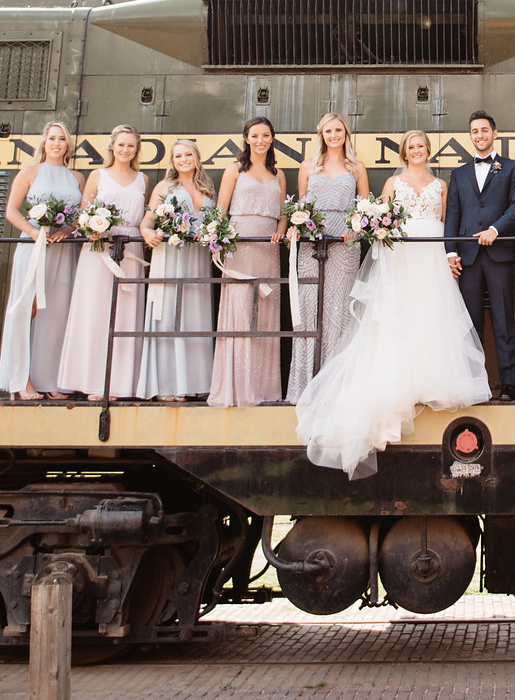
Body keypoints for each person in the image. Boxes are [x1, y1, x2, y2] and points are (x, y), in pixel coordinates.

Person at [296, 129, 491, 478]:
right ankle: (399, 385)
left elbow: (447, 224)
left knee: (429, 315)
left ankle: (429, 382)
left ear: (428, 151)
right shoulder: (392, 183)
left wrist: (449, 255)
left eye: (421, 146)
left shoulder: (441, 186)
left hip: (430, 257)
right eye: (411, 147)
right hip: (401, 256)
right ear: (404, 153)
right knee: (399, 317)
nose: (416, 151)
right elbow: (377, 219)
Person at [54, 125, 150, 400]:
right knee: (95, 311)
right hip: (98, 249)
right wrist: (92, 229)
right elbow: (84, 215)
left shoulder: (142, 179)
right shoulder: (98, 175)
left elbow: (144, 217)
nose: (125, 150)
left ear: (136, 150)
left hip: (130, 246)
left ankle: (121, 384)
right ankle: (93, 382)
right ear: (112, 147)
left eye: (130, 146)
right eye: (121, 145)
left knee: (125, 314)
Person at [0, 121, 84, 399]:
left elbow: (78, 216)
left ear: (68, 145)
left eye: (61, 139)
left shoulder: (78, 178)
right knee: (27, 309)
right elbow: (12, 211)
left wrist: (68, 231)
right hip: (34, 249)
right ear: (44, 143)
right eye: (52, 138)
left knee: (57, 312)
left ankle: (50, 380)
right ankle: (22, 380)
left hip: (62, 249)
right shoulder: (29, 172)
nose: (56, 144)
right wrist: (34, 232)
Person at [444, 110, 515, 402]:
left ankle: (508, 384)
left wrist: (495, 229)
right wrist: (450, 252)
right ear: (470, 136)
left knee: (505, 321)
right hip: (467, 258)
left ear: (495, 133)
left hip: (499, 254)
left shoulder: (513, 168)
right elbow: (453, 213)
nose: (479, 135)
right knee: (469, 324)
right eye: (474, 131)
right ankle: (473, 384)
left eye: (484, 130)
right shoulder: (458, 174)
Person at [289, 113, 371, 402]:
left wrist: (354, 228)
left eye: (338, 130)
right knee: (310, 308)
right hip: (312, 243)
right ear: (321, 134)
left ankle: (337, 388)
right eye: (328, 130)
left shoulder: (356, 167)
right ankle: (306, 385)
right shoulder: (307, 166)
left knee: (340, 310)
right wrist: (296, 226)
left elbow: (365, 207)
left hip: (345, 244)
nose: (333, 135)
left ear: (346, 134)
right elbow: (301, 204)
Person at [209, 116, 288, 407]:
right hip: (240, 246)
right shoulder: (234, 170)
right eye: (254, 135)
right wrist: (218, 241)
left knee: (266, 314)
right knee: (241, 312)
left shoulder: (278, 173)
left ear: (271, 138)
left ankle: (263, 389)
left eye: (265, 135)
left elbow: (283, 213)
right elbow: (221, 209)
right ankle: (237, 387)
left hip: (268, 249)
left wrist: (280, 232)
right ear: (246, 139)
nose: (260, 140)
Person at [137, 138, 215, 401]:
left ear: (196, 158)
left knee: (194, 314)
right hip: (170, 255)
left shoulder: (207, 188)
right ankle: (166, 385)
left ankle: (194, 382)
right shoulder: (165, 186)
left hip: (197, 260)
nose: (183, 160)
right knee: (169, 312)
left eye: (187, 155)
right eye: (178, 156)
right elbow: (147, 222)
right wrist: (148, 235)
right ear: (172, 161)